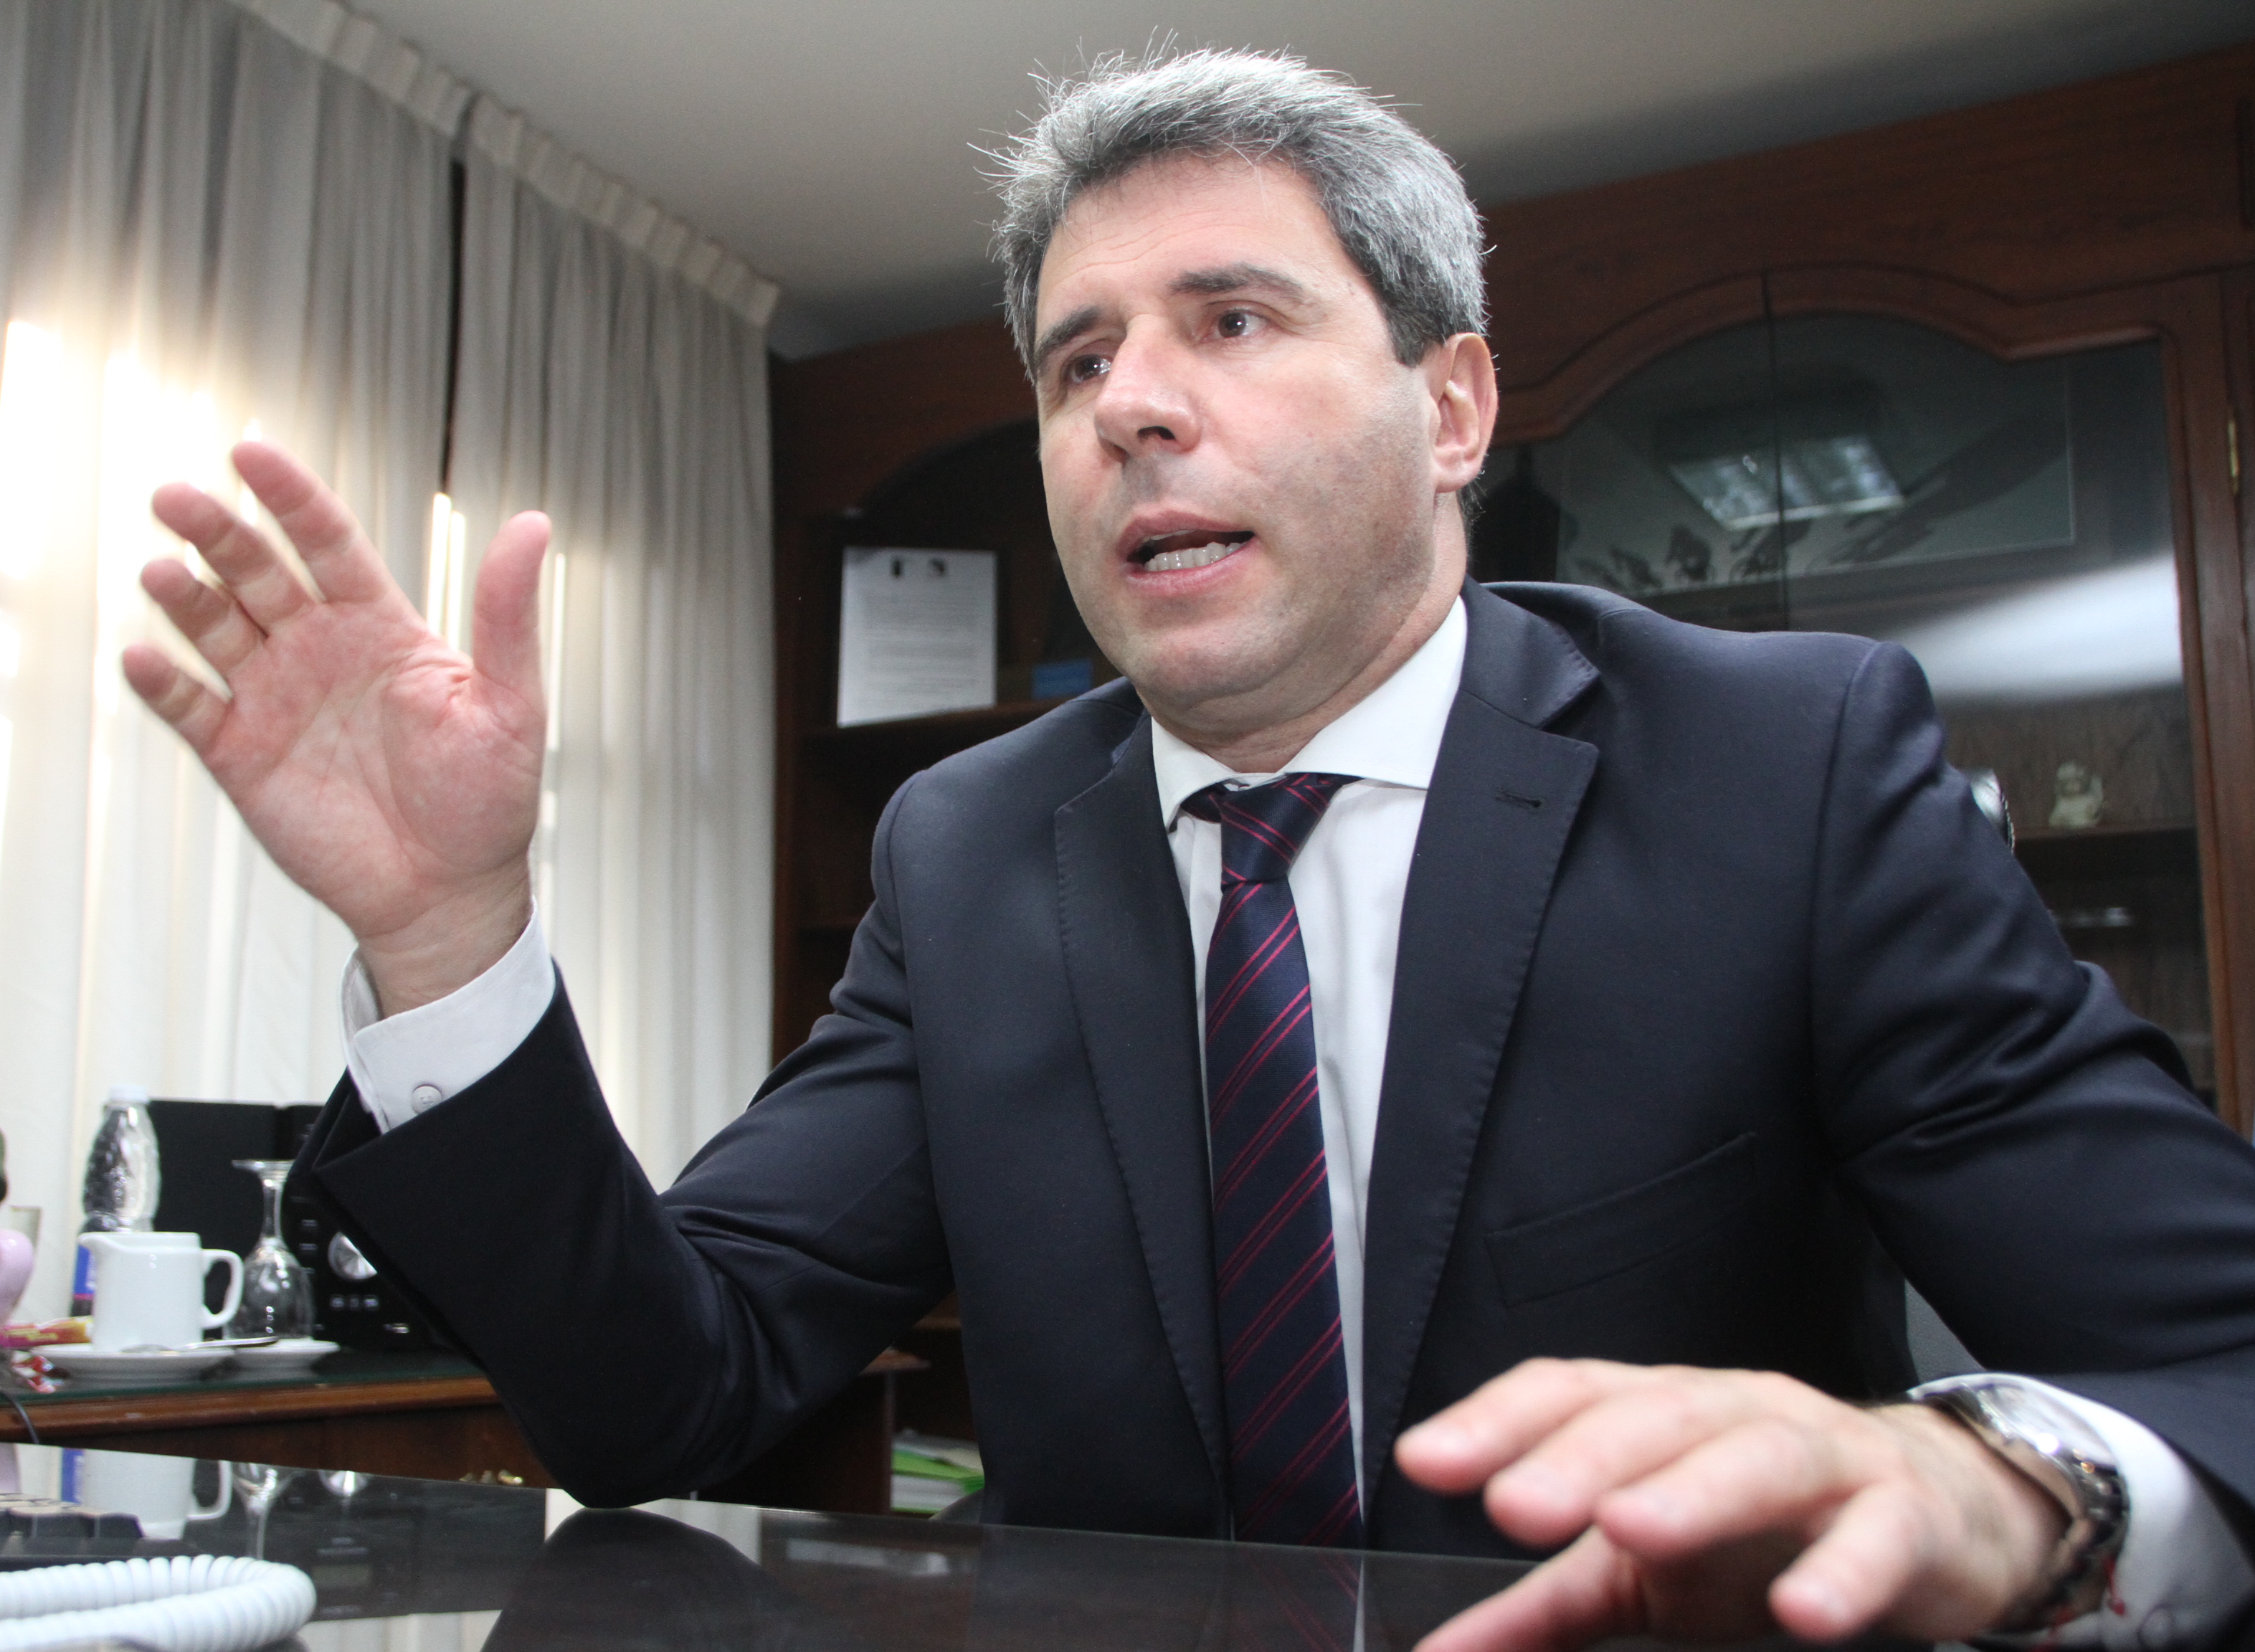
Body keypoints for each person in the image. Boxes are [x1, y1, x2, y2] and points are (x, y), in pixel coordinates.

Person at [121, 49, 2255, 1651]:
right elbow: (664, 1397)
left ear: (1451, 408)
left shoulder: (1776, 768)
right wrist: (450, 929)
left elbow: (2212, 1353)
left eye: (1231, 321)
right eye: (1078, 361)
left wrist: (2007, 1492)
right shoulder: (968, 852)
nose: (1127, 404)